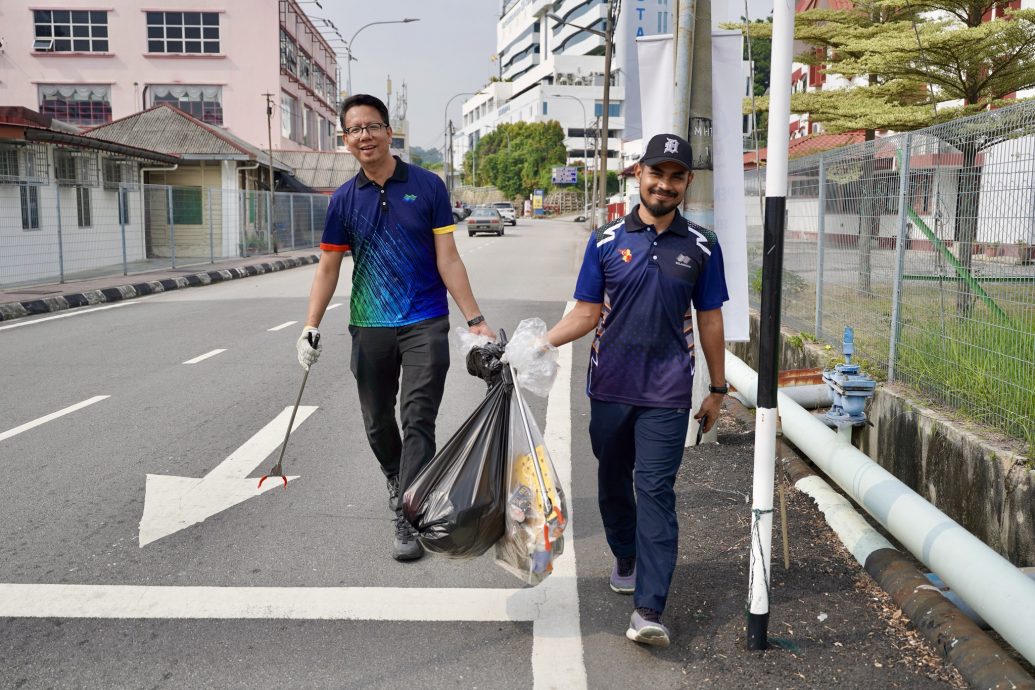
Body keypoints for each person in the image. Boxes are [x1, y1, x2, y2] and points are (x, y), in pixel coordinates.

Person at [542, 133, 729, 647]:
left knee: (655, 491)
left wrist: (717, 388)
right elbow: (586, 313)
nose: (664, 185)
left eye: (675, 177)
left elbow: (710, 319)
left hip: (667, 392)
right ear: (639, 175)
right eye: (656, 174)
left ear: (687, 183)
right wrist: (538, 344)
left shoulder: (703, 245)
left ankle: (650, 609)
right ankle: (625, 554)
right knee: (612, 480)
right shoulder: (604, 240)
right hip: (609, 387)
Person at [296, 94, 494, 562]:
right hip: (370, 324)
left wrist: (476, 320)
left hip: (426, 320)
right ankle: (396, 475)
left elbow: (448, 258)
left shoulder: (427, 187)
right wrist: (310, 326)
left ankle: (410, 510)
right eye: (354, 130)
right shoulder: (344, 200)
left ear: (389, 132)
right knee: (377, 420)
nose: (364, 136)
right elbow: (328, 268)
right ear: (346, 140)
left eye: (372, 126)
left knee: (418, 417)